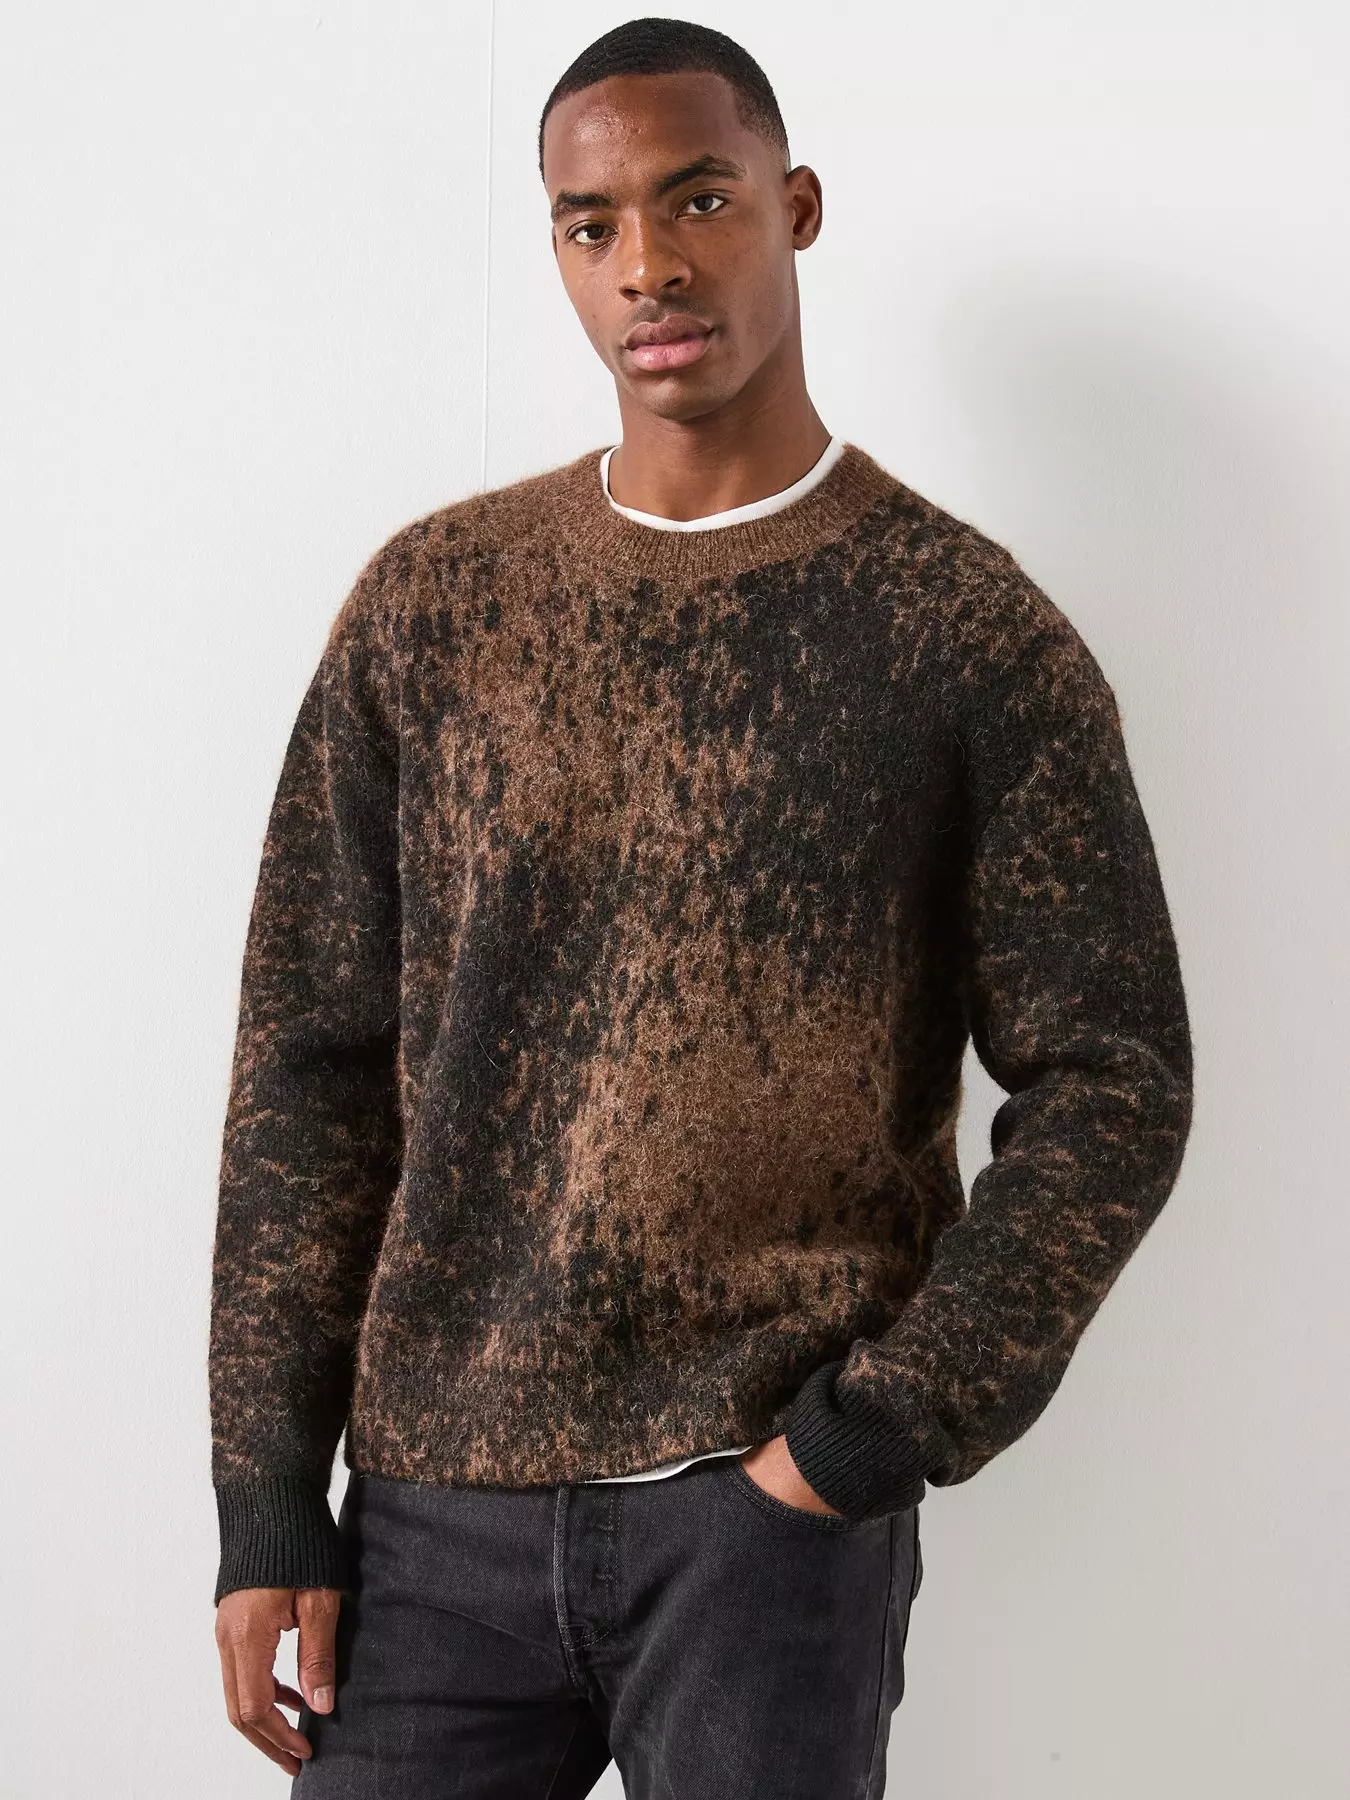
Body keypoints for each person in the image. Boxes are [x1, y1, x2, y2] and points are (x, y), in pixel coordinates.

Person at [208, 17, 1194, 1797]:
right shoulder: (436, 607)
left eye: (698, 199)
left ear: (793, 206)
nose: (646, 265)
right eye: (589, 224)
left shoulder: (963, 634)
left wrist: (871, 1433)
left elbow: (1112, 1080)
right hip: (431, 1519)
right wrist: (268, 1490)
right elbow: (310, 1060)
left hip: (763, 1524)